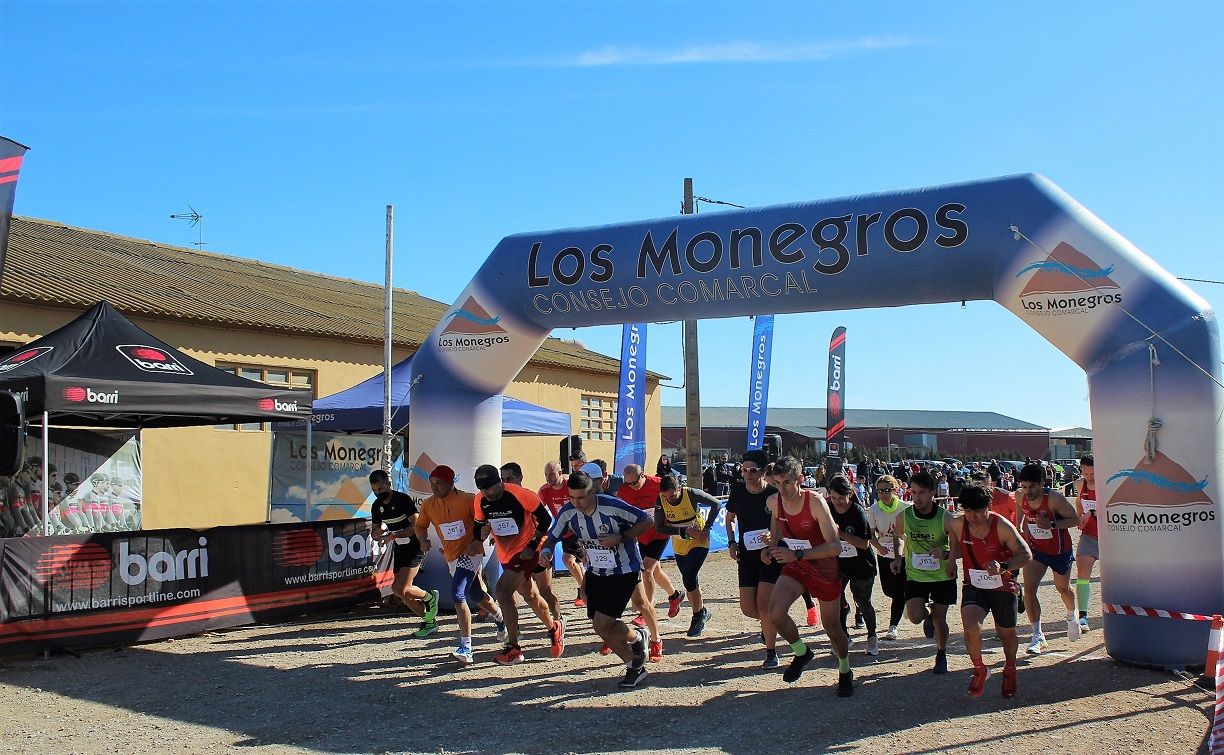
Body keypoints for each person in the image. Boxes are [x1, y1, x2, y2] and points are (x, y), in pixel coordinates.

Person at [540, 469, 657, 688]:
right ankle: (636, 637)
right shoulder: (568, 512)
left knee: (603, 624)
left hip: (624, 569)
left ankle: (635, 666)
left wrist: (620, 537)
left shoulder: (611, 505)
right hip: (596, 570)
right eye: (572, 497)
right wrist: (546, 551)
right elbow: (553, 535)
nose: (577, 503)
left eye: (581, 497)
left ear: (592, 491)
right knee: (599, 624)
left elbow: (647, 520)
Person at [764, 456, 854, 697]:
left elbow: (835, 547)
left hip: (823, 566)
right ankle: (802, 652)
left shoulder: (815, 502)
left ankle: (845, 670)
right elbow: (777, 526)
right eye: (777, 483)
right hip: (796, 565)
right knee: (774, 613)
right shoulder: (775, 501)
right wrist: (770, 547)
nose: (782, 489)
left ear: (800, 480)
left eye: (787, 483)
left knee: (832, 628)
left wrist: (798, 554)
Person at [470, 464, 564, 665]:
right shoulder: (480, 500)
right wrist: (479, 539)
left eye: (490, 489)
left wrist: (532, 544)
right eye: (483, 490)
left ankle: (513, 648)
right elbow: (478, 526)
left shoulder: (520, 494)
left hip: (527, 549)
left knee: (502, 591)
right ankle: (554, 628)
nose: (487, 494)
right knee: (530, 596)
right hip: (506, 554)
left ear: (500, 483)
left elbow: (546, 519)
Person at [412, 465, 504, 663]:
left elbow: (486, 519)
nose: (434, 488)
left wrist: (482, 538)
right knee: (476, 594)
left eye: (439, 484)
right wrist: (422, 540)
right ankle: (500, 618)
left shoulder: (468, 499)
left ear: (451, 483)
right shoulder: (428, 505)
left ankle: (466, 647)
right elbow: (420, 526)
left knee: (457, 593)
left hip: (471, 552)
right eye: (431, 484)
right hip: (451, 556)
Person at [951, 483, 1032, 698]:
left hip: (1002, 586)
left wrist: (1003, 566)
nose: (973, 516)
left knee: (1006, 635)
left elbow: (1026, 554)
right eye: (968, 511)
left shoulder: (1002, 526)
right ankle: (979, 669)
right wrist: (947, 558)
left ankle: (1010, 668)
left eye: (977, 511)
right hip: (974, 585)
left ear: (988, 506)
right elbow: (956, 547)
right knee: (970, 628)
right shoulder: (958, 524)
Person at [891, 470, 958, 674]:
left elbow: (960, 547)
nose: (917, 498)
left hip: (942, 576)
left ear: (932, 493)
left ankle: (941, 653)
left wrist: (946, 555)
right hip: (916, 575)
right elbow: (897, 535)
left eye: (921, 493)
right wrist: (897, 557)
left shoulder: (946, 518)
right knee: (914, 616)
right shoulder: (905, 516)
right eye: (913, 493)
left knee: (941, 619)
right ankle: (927, 614)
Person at [725, 449, 783, 667]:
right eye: (744, 469)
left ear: (763, 471)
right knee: (749, 609)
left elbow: (786, 524)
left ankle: (771, 652)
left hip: (770, 556)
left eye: (753, 470)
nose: (747, 474)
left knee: (764, 606)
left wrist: (773, 537)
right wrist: (731, 542)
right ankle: (771, 624)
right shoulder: (738, 491)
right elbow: (730, 518)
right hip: (746, 556)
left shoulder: (774, 494)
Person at [1016, 462, 1081, 653]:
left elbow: (1075, 519)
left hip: (1059, 551)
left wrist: (1052, 524)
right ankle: (1037, 634)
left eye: (1032, 487)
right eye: (1024, 486)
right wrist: (1019, 527)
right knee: (1029, 589)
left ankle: (1071, 615)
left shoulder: (1054, 499)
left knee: (1062, 588)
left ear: (1043, 483)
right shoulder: (1020, 496)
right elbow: (1020, 510)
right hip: (1036, 551)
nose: (1028, 491)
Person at [617, 463, 680, 658]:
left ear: (642, 475)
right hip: (642, 535)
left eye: (635, 482)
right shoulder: (624, 491)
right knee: (656, 571)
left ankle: (647, 610)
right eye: (628, 483)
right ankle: (675, 595)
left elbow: (677, 495)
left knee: (647, 570)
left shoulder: (657, 484)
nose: (632, 486)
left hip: (660, 534)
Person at [369, 469, 438, 638]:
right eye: (375, 490)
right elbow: (375, 529)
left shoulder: (402, 500)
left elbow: (416, 526)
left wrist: (394, 535)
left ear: (388, 484)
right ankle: (429, 622)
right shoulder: (376, 506)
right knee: (402, 593)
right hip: (399, 548)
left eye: (381, 489)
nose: (378, 493)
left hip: (415, 546)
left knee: (398, 587)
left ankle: (429, 598)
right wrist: (376, 534)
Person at [655, 474, 721, 638]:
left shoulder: (690, 493)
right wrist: (683, 531)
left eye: (672, 495)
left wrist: (707, 528)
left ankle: (697, 616)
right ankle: (702, 611)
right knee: (690, 579)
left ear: (679, 488)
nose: (669, 500)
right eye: (665, 497)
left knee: (689, 577)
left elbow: (717, 504)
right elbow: (660, 528)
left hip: (699, 541)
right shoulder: (661, 500)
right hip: (679, 544)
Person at [501, 462, 564, 626]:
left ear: (520, 478)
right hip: (516, 555)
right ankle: (514, 629)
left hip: (536, 551)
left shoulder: (529, 497)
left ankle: (558, 621)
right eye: (503, 479)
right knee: (510, 591)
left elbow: (544, 523)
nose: (506, 482)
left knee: (545, 591)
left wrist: (543, 548)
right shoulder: (500, 501)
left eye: (510, 478)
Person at [826, 475, 879, 656]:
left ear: (849, 495)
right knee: (837, 600)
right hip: (839, 563)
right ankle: (843, 638)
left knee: (863, 601)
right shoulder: (828, 509)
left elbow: (865, 543)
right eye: (833, 498)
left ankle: (872, 637)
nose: (837, 502)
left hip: (861, 564)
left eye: (841, 498)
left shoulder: (857, 512)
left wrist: (840, 533)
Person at [867, 474, 910, 641]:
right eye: (880, 491)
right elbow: (870, 535)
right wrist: (879, 547)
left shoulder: (905, 508)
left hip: (902, 554)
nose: (884, 494)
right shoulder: (874, 510)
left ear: (895, 490)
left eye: (887, 490)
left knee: (898, 591)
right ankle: (904, 601)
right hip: (884, 553)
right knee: (888, 590)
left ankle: (893, 627)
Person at [538, 460, 586, 608]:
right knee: (575, 562)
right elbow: (538, 512)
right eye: (546, 475)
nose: (548, 478)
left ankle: (585, 591)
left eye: (552, 474)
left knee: (568, 560)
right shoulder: (544, 491)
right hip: (560, 528)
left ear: (560, 473)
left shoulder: (570, 485)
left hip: (577, 527)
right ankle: (585, 590)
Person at [1072, 454, 1098, 632]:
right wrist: (1080, 516)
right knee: (1082, 574)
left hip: (1111, 537)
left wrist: (1092, 513)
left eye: (1093, 474)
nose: (1089, 478)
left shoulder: (1107, 483)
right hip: (1089, 536)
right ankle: (1083, 616)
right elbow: (1078, 502)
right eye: (1085, 473)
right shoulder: (1080, 484)